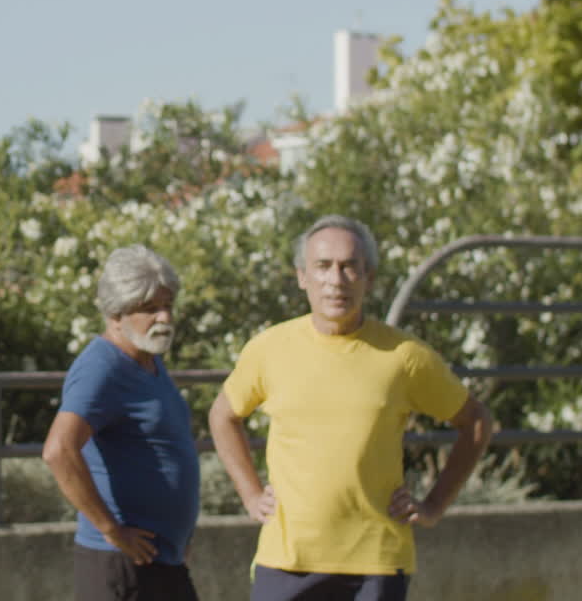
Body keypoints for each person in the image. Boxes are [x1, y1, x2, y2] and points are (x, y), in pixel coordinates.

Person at [208, 215, 492, 601]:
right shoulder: (269, 350)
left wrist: (434, 505)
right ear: (302, 277)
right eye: (323, 267)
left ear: (368, 277)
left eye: (348, 267)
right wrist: (250, 494)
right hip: (288, 560)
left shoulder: (404, 356)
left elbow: (476, 422)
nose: (336, 280)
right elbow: (223, 415)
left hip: (375, 564)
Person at [43, 245, 201, 601]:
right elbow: (58, 450)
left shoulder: (148, 358)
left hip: (162, 562)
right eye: (149, 309)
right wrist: (112, 530)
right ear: (116, 314)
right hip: (119, 566)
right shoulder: (102, 366)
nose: (164, 318)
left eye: (167, 306)